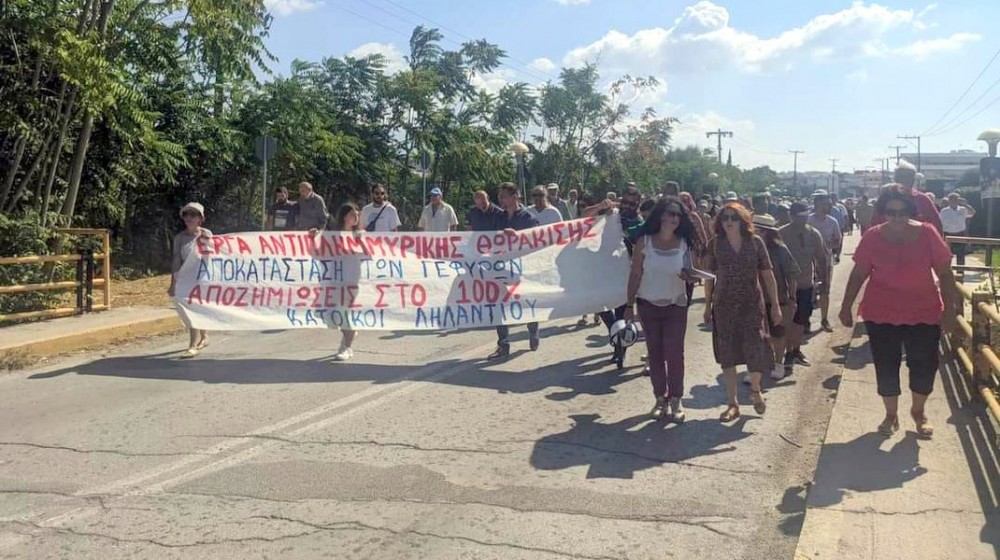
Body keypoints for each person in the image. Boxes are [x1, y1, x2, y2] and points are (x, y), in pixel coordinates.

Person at [839, 189, 958, 437]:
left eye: (902, 212)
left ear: (910, 212)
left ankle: (918, 412)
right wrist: (845, 306)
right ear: (883, 213)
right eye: (891, 213)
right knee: (886, 365)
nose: (897, 218)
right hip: (881, 312)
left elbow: (946, 274)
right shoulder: (873, 237)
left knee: (924, 364)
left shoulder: (927, 234)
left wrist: (950, 311)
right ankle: (890, 415)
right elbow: (859, 273)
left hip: (923, 311)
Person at [703, 203, 782, 422]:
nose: (729, 222)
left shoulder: (755, 242)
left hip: (751, 304)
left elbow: (767, 275)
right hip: (724, 304)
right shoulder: (715, 244)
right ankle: (732, 403)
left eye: (734, 218)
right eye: (725, 218)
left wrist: (775, 305)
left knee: (754, 346)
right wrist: (707, 304)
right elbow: (709, 278)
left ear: (743, 220)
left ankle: (755, 390)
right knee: (727, 352)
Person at [624, 197, 700, 422]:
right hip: (648, 304)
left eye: (678, 215)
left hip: (676, 304)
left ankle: (676, 399)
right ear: (661, 215)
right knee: (655, 353)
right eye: (670, 213)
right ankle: (660, 398)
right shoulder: (644, 242)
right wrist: (628, 305)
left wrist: (690, 277)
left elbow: (691, 272)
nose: (674, 219)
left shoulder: (685, 243)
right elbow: (635, 274)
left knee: (675, 353)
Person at [490, 182, 541, 359]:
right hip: (502, 267)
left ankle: (533, 331)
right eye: (499, 196)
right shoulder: (499, 217)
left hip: (523, 269)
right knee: (499, 303)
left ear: (515, 196)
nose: (501, 200)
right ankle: (503, 344)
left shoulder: (528, 218)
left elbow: (536, 242)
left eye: (503, 196)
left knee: (526, 302)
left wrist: (517, 236)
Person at [780, 202, 828, 370]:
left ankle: (795, 351)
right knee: (787, 321)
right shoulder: (781, 234)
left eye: (805, 216)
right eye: (799, 217)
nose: (803, 220)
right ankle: (786, 353)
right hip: (785, 287)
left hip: (806, 285)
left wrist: (824, 282)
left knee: (801, 320)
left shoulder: (814, 234)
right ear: (791, 216)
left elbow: (821, 259)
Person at [754, 214, 800, 381]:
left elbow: (792, 273)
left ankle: (779, 364)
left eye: (756, 230)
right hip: (754, 299)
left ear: (766, 232)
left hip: (778, 298)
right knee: (755, 335)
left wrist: (792, 297)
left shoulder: (780, 250)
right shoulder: (747, 248)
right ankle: (756, 366)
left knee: (778, 333)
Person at [169, 202, 212, 358]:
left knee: (198, 309)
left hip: (203, 279)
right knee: (191, 310)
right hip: (186, 280)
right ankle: (194, 343)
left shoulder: (206, 234)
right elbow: (176, 260)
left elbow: (216, 254)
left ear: (200, 219)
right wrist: (173, 283)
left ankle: (200, 340)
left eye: (193, 215)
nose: (189, 218)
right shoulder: (179, 238)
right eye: (186, 215)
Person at [329, 203, 367, 361]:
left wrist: (360, 241)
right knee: (332, 316)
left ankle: (347, 347)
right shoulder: (333, 235)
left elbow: (369, 255)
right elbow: (318, 252)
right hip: (334, 279)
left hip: (352, 279)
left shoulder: (360, 234)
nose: (356, 217)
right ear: (345, 216)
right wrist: (312, 237)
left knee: (344, 312)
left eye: (357, 215)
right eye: (353, 214)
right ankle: (348, 336)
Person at [870, 163, 943, 235]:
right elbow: (875, 225)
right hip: (888, 244)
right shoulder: (885, 199)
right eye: (902, 177)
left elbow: (937, 226)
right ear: (895, 179)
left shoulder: (923, 200)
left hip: (918, 244)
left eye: (910, 177)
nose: (906, 181)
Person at [808, 190, 842, 332]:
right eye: (825, 204)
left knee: (824, 291)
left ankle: (824, 319)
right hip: (808, 262)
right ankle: (805, 320)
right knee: (807, 291)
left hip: (826, 262)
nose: (828, 206)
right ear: (817, 204)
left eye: (828, 204)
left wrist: (829, 247)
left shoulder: (832, 222)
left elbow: (837, 240)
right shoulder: (808, 220)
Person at [940, 192, 976, 266]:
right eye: (952, 199)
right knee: (947, 255)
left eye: (956, 199)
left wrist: (966, 204)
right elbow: (940, 223)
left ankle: (960, 273)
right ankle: (947, 273)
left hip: (960, 234)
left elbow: (972, 213)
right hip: (948, 235)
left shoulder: (963, 209)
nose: (954, 201)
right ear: (949, 201)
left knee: (961, 255)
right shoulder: (944, 211)